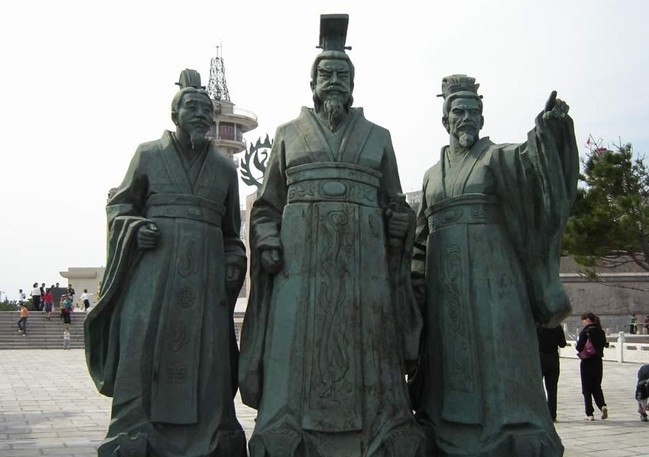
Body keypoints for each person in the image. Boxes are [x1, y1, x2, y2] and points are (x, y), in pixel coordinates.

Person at [239, 14, 428, 457]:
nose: (335, 82)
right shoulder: (288, 135)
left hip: (365, 276)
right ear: (313, 84)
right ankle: (285, 428)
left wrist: (400, 222)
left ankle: (381, 428)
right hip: (299, 273)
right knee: (296, 350)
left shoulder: (378, 138)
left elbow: (395, 202)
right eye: (326, 75)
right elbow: (267, 205)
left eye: (343, 75)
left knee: (370, 347)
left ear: (353, 85)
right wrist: (268, 240)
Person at [411, 75, 578, 456]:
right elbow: (420, 237)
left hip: (494, 281)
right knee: (447, 361)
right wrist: (416, 281)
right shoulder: (432, 176)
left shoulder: (499, 158)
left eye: (474, 111)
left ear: (483, 119)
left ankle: (512, 426)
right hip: (445, 288)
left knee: (501, 354)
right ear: (445, 120)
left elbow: (535, 163)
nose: (466, 118)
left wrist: (551, 128)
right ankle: (443, 428)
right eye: (458, 111)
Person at [85, 68, 247, 457]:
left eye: (207, 110)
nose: (201, 115)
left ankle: (214, 435)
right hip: (154, 276)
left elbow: (232, 233)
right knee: (142, 347)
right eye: (192, 107)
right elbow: (121, 207)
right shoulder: (148, 155)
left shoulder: (225, 169)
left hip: (204, 281)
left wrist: (233, 260)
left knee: (208, 356)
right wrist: (134, 228)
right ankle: (134, 432)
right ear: (175, 114)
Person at [576, 312, 609, 421]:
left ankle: (589, 413)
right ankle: (602, 405)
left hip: (587, 362)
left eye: (583, 320)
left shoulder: (585, 332)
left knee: (586, 388)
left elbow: (579, 347)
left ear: (587, 320)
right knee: (597, 386)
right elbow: (604, 344)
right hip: (598, 362)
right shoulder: (601, 332)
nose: (583, 323)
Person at [537, 324, 567, 421]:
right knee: (552, 389)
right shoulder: (557, 326)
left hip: (539, 357)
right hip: (553, 358)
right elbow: (562, 344)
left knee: (537, 388)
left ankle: (538, 413)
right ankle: (552, 415)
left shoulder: (537, 326)